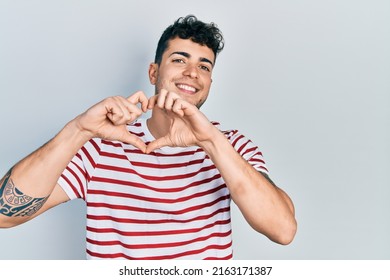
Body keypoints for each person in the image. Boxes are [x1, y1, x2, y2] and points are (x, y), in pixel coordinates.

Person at [0, 15, 297, 260]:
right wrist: (78, 129)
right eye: (180, 60)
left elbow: (283, 230)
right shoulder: (102, 145)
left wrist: (211, 141)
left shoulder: (231, 145)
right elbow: (4, 215)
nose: (193, 72)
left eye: (204, 66)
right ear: (154, 72)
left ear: (209, 82)